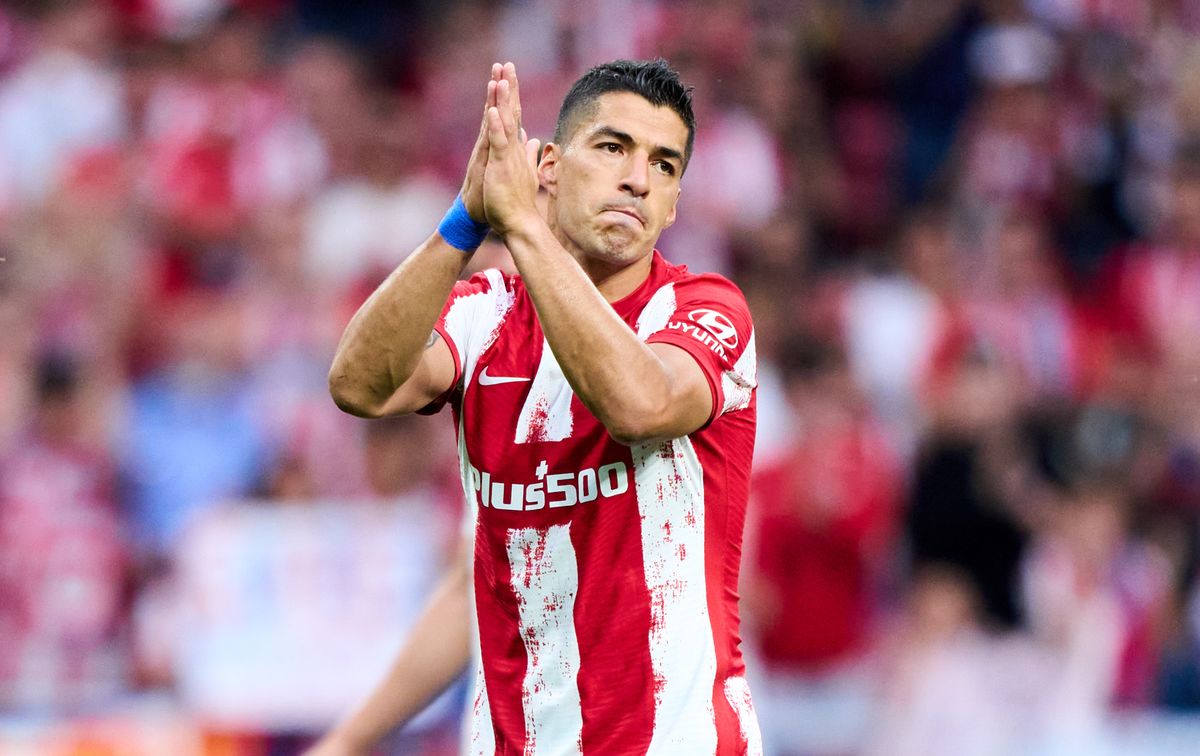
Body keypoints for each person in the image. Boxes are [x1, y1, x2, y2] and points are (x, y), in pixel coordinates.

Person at [313, 58, 761, 755]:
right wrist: (465, 221)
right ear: (547, 165)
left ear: (673, 204)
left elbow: (638, 405)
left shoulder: (705, 311)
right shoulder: (486, 317)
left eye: (664, 165)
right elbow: (359, 386)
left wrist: (523, 225)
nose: (638, 180)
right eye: (613, 148)